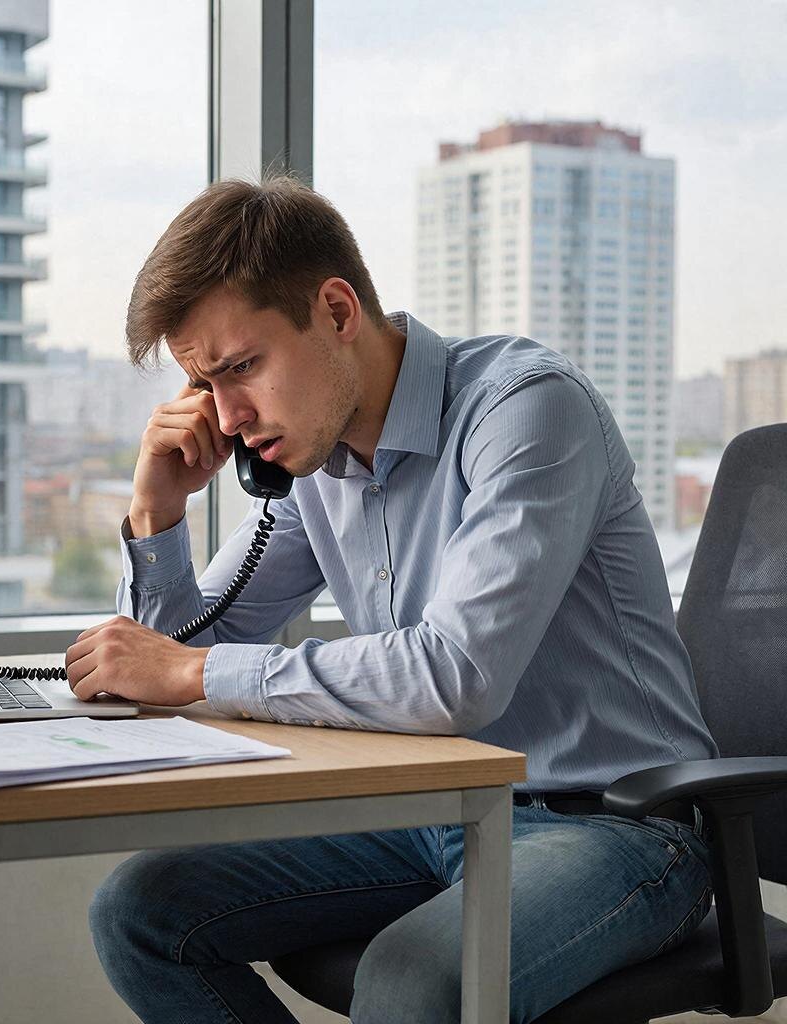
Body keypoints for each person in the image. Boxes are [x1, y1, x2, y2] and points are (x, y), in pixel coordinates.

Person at [64, 176, 718, 1024]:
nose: (227, 419)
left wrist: (187, 671)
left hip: (618, 828)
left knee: (413, 978)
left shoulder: (525, 410)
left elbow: (457, 677)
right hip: (435, 813)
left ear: (337, 312)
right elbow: (172, 659)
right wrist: (157, 514)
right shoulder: (313, 460)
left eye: (242, 369)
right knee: (142, 910)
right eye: (206, 386)